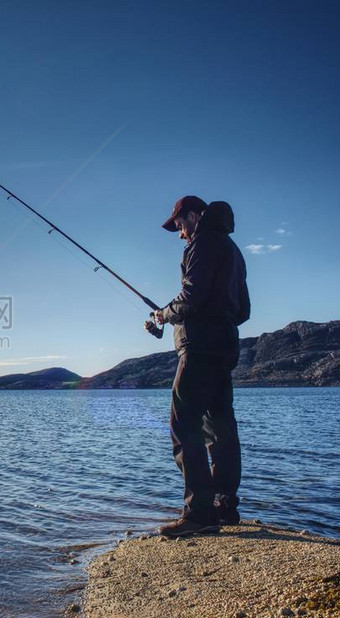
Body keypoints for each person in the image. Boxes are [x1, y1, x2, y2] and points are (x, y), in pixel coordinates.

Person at [145, 195, 251, 538]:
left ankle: (198, 512)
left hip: (200, 348)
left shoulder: (202, 242)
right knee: (219, 428)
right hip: (224, 347)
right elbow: (244, 310)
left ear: (193, 215)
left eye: (179, 225)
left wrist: (163, 315)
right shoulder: (233, 250)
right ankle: (224, 507)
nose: (179, 234)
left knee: (184, 425)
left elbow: (191, 296)